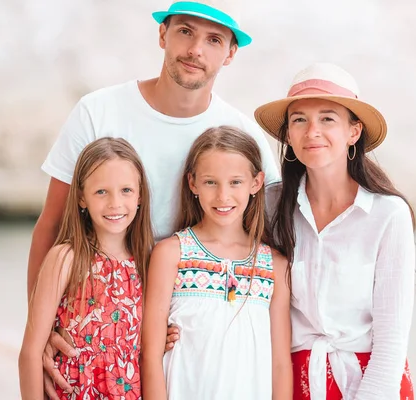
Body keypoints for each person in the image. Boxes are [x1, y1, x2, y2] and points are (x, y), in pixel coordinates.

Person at [28, 1, 279, 397]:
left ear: (230, 53)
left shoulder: (241, 135)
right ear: (162, 34)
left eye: (213, 39)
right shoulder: (97, 111)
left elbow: (260, 249)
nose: (196, 49)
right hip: (98, 327)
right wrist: (40, 331)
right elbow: (51, 224)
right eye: (184, 31)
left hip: (178, 343)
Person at [254, 63, 416, 399]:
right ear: (287, 133)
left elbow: (391, 342)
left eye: (327, 118)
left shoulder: (388, 214)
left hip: (371, 381)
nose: (312, 131)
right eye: (299, 119)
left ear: (353, 132)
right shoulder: (269, 205)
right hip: (289, 382)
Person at [141, 126, 292, 399]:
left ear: (256, 183)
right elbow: (150, 356)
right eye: (211, 182)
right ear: (193, 183)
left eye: (235, 182)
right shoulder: (170, 254)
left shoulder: (275, 265)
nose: (223, 196)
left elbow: (280, 364)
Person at [19, 137, 154, 399]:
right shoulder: (66, 258)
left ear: (140, 196)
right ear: (82, 198)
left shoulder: (146, 264)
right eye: (101, 191)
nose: (115, 203)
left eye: (126, 190)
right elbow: (31, 352)